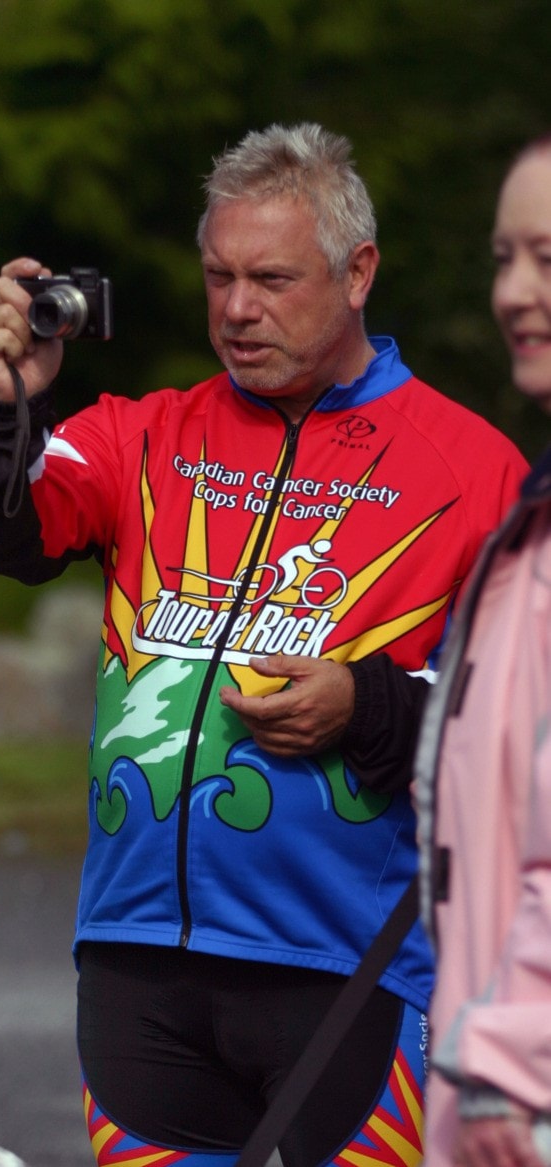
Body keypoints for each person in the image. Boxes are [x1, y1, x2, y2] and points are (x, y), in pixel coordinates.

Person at [0, 123, 528, 1167]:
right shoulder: (145, 432)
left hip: (346, 975)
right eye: (218, 277)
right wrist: (2, 407)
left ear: (358, 274)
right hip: (136, 974)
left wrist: (368, 705)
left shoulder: (471, 470)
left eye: (271, 278)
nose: (238, 309)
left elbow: (525, 742)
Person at [416, 135, 551, 1167]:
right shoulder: (533, 520)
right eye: (503, 255)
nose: (512, 291)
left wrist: (512, 1057)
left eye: (548, 259)